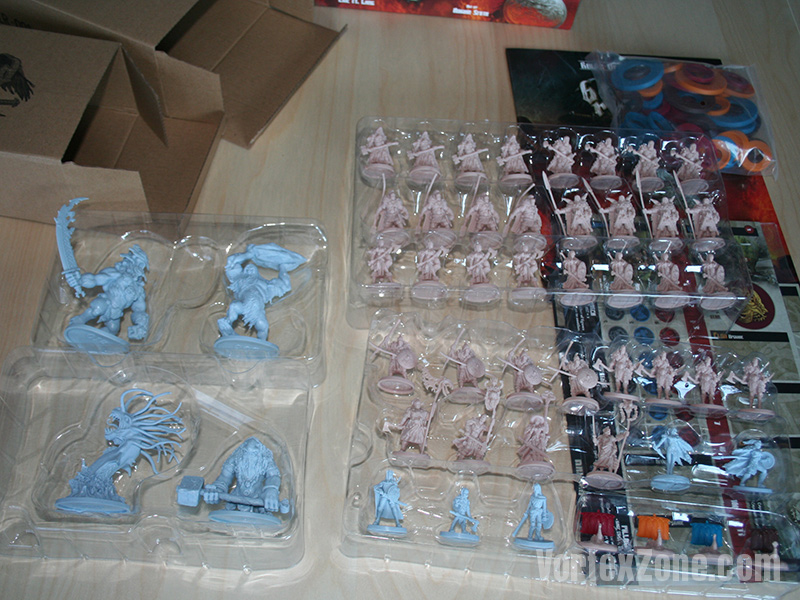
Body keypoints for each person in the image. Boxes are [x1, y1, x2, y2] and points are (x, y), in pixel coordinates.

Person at [67, 245, 150, 341]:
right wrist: (81, 281)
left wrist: (140, 324)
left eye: (137, 263)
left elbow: (139, 309)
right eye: (130, 261)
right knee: (97, 309)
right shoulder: (116, 275)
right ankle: (79, 320)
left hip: (116, 312)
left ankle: (96, 339)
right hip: (105, 301)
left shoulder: (138, 291)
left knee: (113, 329)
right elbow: (96, 279)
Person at [204, 437, 282, 514]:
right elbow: (224, 477)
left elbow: (273, 476)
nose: (249, 458)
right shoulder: (235, 458)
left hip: (259, 500)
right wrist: (217, 490)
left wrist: (271, 490)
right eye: (246, 453)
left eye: (254, 454)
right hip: (235, 498)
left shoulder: (266, 460)